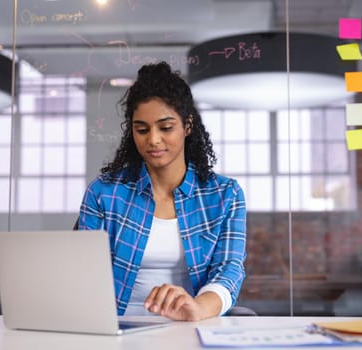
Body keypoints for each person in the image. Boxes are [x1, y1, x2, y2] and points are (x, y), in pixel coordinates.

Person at [78, 61, 247, 321]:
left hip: (190, 325)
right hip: (114, 327)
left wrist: (198, 308)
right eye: (141, 129)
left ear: (187, 126)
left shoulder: (225, 195)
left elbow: (229, 269)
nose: (153, 140)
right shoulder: (104, 193)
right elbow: (84, 272)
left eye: (165, 128)